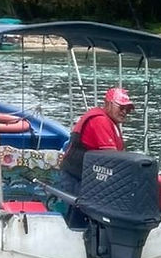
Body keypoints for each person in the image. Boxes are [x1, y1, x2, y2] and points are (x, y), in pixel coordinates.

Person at [57, 87, 135, 226]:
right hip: (76, 179)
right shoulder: (100, 121)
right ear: (108, 104)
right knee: (79, 217)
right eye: (121, 107)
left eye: (128, 109)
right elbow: (113, 159)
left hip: (88, 180)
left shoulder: (111, 123)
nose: (124, 112)